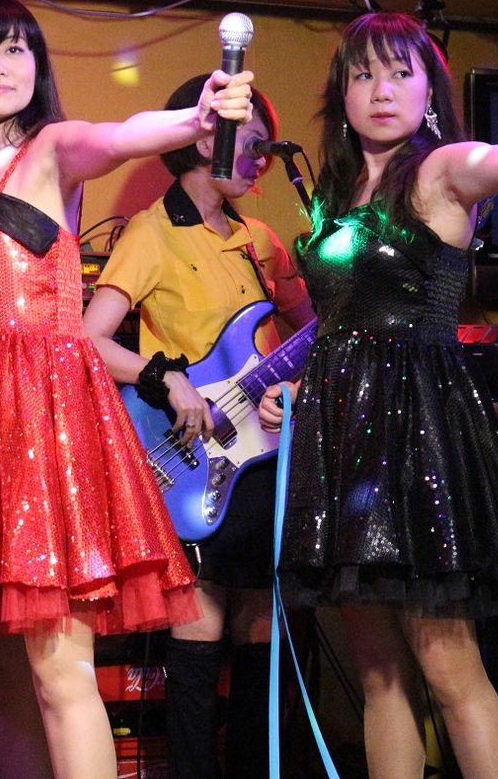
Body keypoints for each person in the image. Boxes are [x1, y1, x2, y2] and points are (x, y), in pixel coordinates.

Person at [270, 12, 498, 778]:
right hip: (345, 445)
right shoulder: (334, 195)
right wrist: (302, 385)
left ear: (428, 92)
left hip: (417, 439)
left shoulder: (439, 169)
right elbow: (346, 323)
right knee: (378, 675)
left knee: (449, 667)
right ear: (341, 93)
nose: (382, 90)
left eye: (400, 73)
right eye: (364, 74)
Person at [0, 0, 254, 779]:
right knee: (9, 689)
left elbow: (117, 136)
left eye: (14, 48)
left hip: (43, 426)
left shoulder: (51, 147)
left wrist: (197, 117)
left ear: (38, 65)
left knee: (61, 674)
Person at [82, 74, 315, 778]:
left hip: (262, 452)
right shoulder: (151, 231)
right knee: (199, 625)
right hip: (191, 455)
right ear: (203, 137)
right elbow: (89, 339)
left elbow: (310, 334)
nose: (260, 159)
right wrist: (164, 376)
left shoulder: (260, 241)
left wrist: (294, 385)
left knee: (262, 626)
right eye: (249, 141)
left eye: (266, 147)